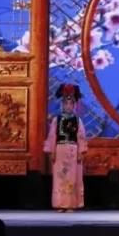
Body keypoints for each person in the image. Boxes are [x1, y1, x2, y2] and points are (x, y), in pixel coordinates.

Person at [44, 83, 87, 211]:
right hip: (60, 150)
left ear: (74, 105)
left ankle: (70, 204)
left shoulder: (78, 120)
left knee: (72, 178)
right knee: (60, 178)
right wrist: (52, 152)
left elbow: (81, 137)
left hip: (72, 151)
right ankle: (60, 204)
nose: (68, 106)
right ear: (62, 105)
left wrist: (81, 152)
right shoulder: (56, 120)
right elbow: (52, 136)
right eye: (66, 104)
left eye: (70, 104)